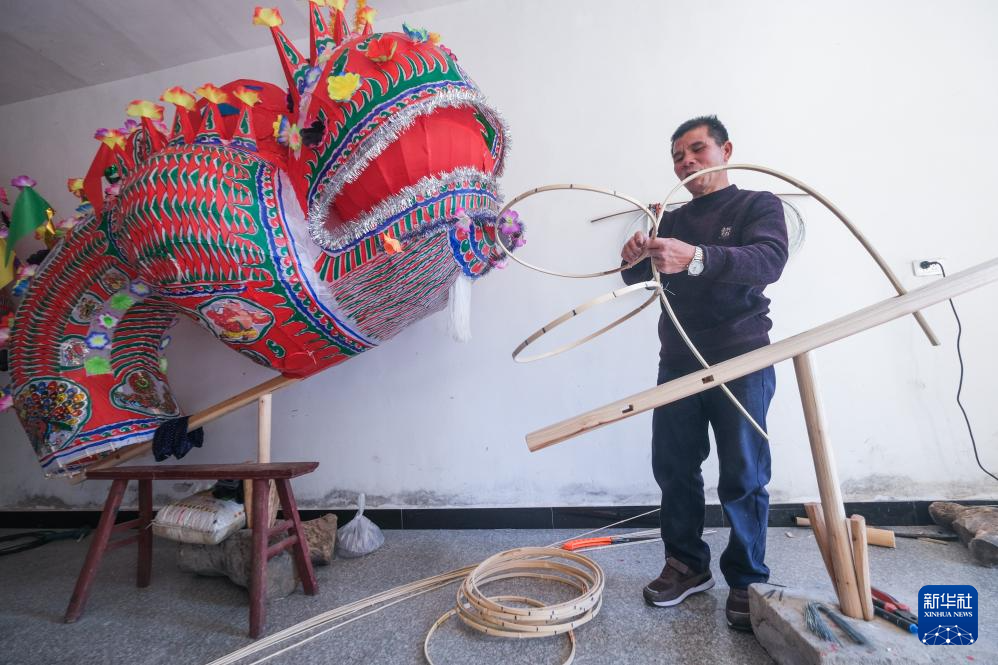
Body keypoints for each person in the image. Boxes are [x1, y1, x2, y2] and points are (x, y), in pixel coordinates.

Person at [620, 115, 788, 631]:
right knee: (674, 468)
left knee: (743, 474)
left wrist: (695, 256)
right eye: (678, 156)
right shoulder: (670, 218)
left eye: (697, 150)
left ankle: (747, 579)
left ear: (725, 150)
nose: (686, 162)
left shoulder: (758, 204)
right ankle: (687, 565)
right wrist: (632, 257)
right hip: (678, 360)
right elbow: (642, 278)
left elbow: (768, 260)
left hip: (742, 357)